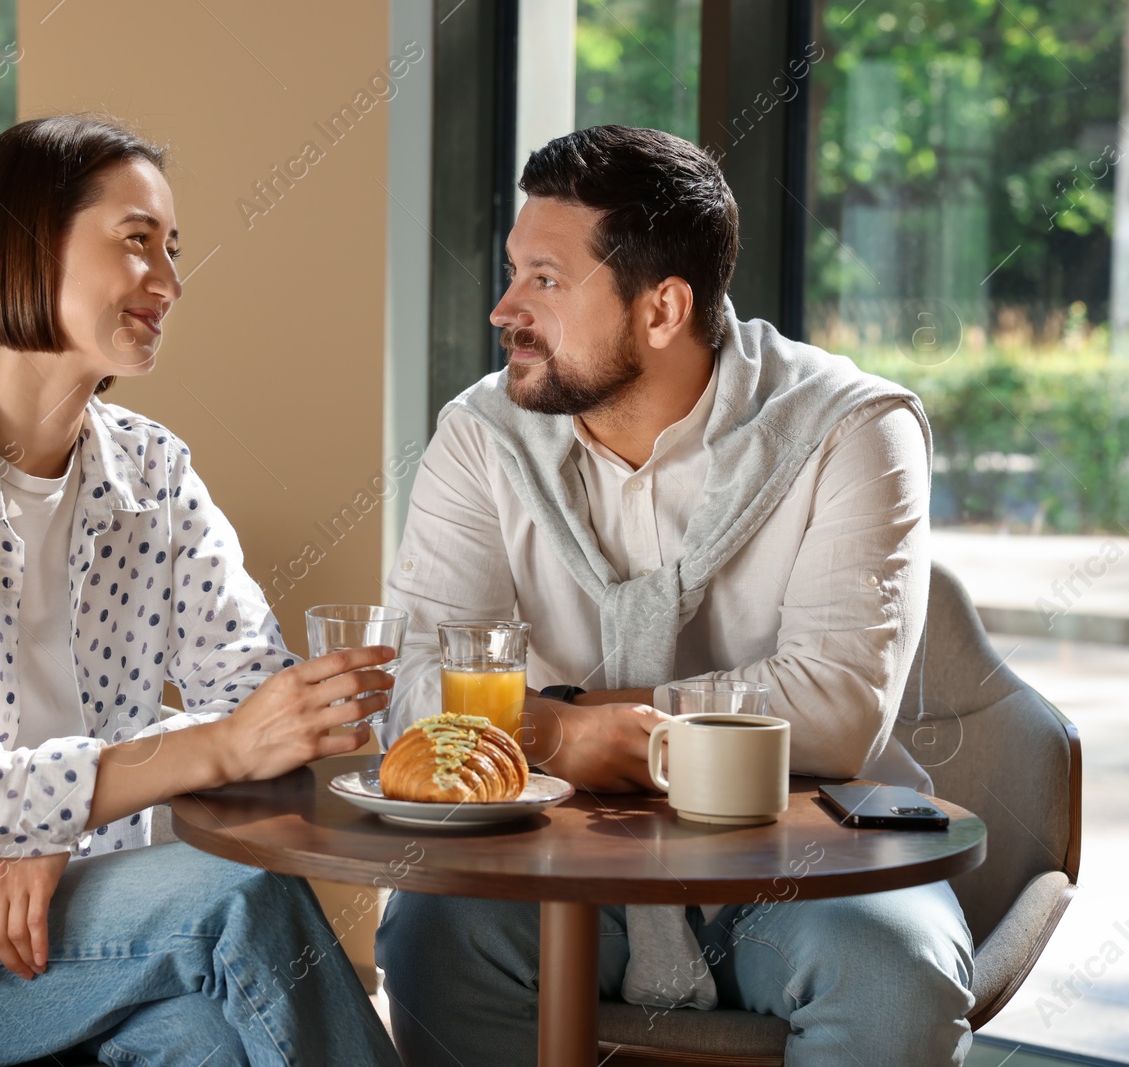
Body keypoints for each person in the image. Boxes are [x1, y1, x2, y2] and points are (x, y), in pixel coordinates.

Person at [0, 115, 403, 1067]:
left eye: (172, 253)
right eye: (138, 242)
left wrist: (57, 828)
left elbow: (268, 703)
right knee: (243, 899)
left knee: (206, 1041)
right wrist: (160, 765)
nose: (170, 284)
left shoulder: (155, 473)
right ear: (29, 238)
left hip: (71, 911)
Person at [375, 125, 974, 1066]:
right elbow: (413, 692)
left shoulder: (852, 428)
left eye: (545, 279)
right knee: (431, 935)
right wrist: (567, 738)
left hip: (798, 862)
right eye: (512, 270)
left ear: (662, 310)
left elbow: (834, 711)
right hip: (552, 855)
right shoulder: (480, 436)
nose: (504, 309)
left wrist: (564, 716)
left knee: (895, 968)